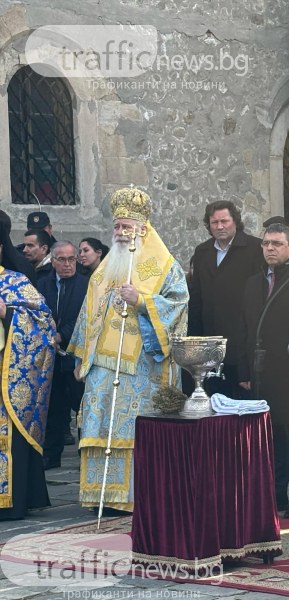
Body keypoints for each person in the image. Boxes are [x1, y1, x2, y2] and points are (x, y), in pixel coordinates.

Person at [69, 187, 188, 512]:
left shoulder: (164, 267)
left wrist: (143, 301)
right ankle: (103, 496)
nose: (121, 232)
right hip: (102, 371)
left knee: (135, 430)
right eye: (117, 226)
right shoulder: (106, 268)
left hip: (142, 369)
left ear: (143, 229)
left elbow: (179, 306)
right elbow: (88, 313)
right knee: (100, 428)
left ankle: (139, 497)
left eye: (127, 227)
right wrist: (82, 357)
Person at [239, 223, 289, 518]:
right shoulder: (253, 283)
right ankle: (275, 493)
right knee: (269, 439)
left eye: (277, 244)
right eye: (267, 243)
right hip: (261, 372)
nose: (270, 248)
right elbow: (245, 327)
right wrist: (244, 369)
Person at [0, 252, 56, 520]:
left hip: (6, 380)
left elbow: (45, 325)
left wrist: (8, 313)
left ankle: (8, 502)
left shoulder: (17, 283)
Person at [188, 200, 263, 398]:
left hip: (240, 342)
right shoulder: (202, 251)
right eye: (214, 222)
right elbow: (196, 298)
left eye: (224, 221)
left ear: (235, 221)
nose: (220, 227)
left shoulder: (254, 248)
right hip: (209, 342)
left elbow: (259, 297)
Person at [36, 242, 89, 470]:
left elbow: (84, 317)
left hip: (75, 355)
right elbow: (39, 313)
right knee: (54, 407)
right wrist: (50, 334)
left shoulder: (86, 285)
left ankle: (85, 454)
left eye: (71, 259)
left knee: (81, 406)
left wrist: (62, 334)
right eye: (62, 259)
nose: (68, 264)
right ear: (52, 260)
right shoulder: (42, 284)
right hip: (51, 357)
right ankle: (52, 454)